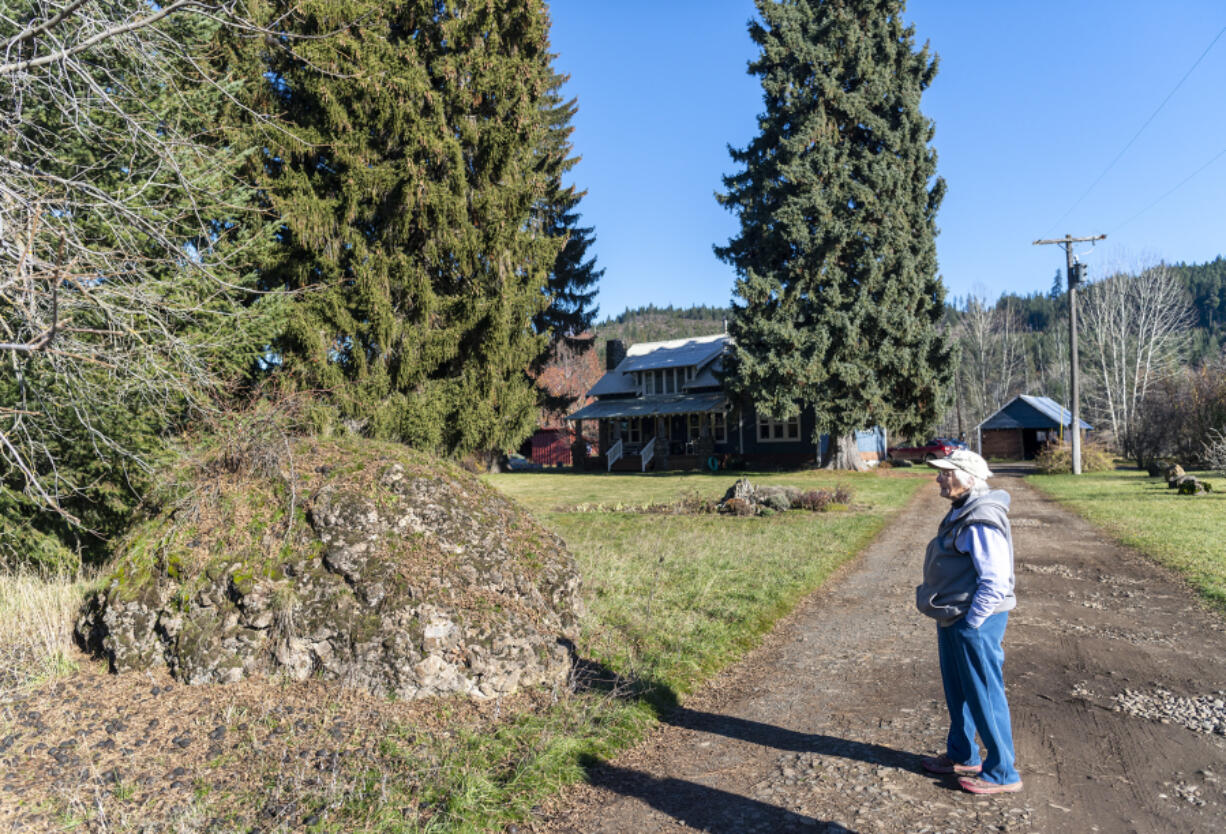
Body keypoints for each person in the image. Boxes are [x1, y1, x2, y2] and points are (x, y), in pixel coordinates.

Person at [915, 449, 1023, 794]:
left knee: (984, 693)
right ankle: (963, 754)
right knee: (958, 690)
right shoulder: (962, 511)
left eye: (946, 473)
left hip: (974, 619)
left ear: (969, 478)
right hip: (955, 616)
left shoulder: (980, 519)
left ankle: (1003, 772)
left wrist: (973, 622)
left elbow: (995, 580)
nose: (939, 479)